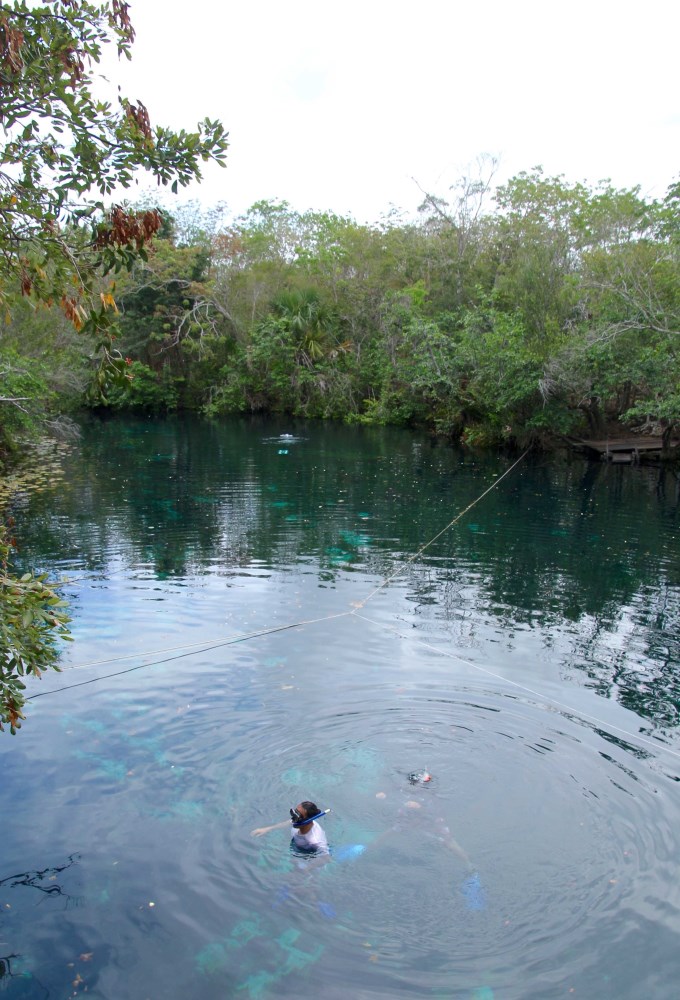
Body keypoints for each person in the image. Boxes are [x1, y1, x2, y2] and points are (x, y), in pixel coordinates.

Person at [251, 800, 330, 856]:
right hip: (296, 846)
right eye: (294, 813)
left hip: (306, 854)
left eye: (297, 816)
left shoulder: (314, 840)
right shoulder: (298, 821)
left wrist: (306, 869)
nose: (293, 819)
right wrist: (267, 829)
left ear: (308, 820)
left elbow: (326, 858)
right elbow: (287, 823)